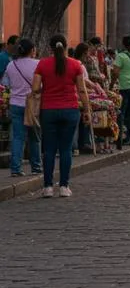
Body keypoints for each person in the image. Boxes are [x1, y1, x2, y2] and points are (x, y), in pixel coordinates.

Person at [31, 34, 91, 197]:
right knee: (66, 149)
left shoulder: (42, 64)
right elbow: (82, 90)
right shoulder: (75, 64)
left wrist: (46, 88)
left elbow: (35, 87)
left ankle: (48, 187)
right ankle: (64, 186)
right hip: (70, 110)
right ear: (65, 47)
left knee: (49, 149)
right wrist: (86, 110)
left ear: (50, 48)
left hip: (48, 110)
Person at [2, 38, 41, 177]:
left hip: (15, 103)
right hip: (32, 104)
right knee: (34, 137)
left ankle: (15, 168)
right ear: (32, 50)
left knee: (18, 137)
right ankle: (36, 166)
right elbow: (41, 85)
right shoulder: (38, 64)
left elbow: (5, 84)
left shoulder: (11, 65)